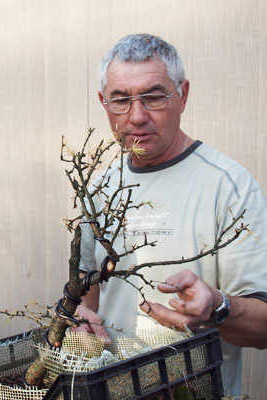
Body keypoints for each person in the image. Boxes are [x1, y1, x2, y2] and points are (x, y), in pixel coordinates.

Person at [76, 33, 267, 397]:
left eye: (154, 97)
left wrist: (217, 307)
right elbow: (87, 282)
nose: (136, 116)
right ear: (104, 103)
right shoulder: (98, 189)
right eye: (121, 100)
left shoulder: (229, 187)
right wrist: (81, 315)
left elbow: (263, 329)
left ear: (183, 95)